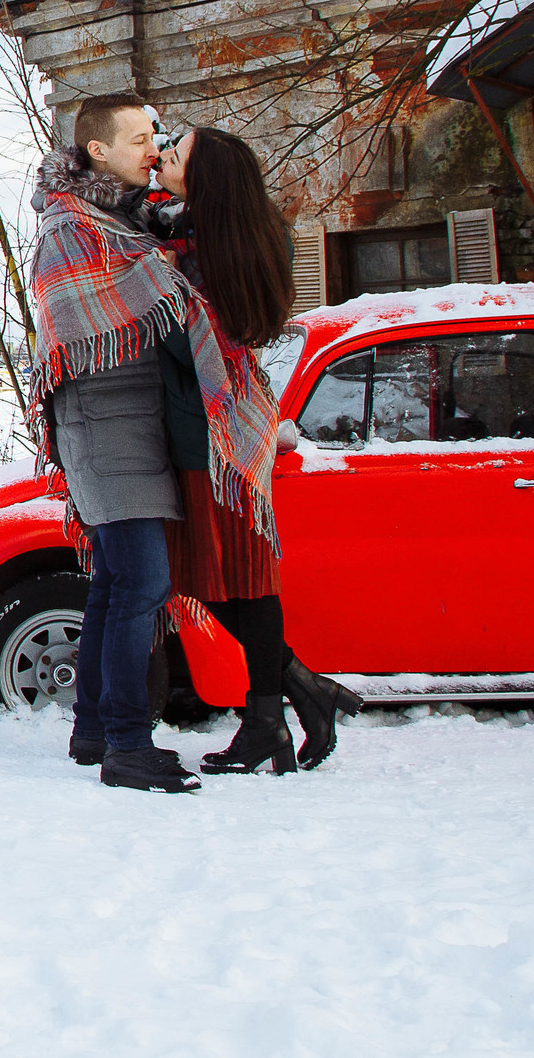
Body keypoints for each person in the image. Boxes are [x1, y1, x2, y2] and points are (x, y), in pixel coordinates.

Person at [152, 126, 362, 771]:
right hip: (235, 427)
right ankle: (288, 700)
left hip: (208, 432)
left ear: (203, 180)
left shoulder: (199, 258)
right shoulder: (230, 239)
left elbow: (186, 346)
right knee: (234, 579)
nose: (161, 156)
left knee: (223, 578)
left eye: (175, 153)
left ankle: (277, 708)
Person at [29, 94, 217, 794]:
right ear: (99, 150)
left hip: (131, 422)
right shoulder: (73, 227)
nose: (153, 146)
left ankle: (95, 731)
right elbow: (124, 304)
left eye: (156, 134)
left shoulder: (122, 220)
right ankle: (129, 746)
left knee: (115, 581)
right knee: (142, 581)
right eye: (139, 137)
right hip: (103, 424)